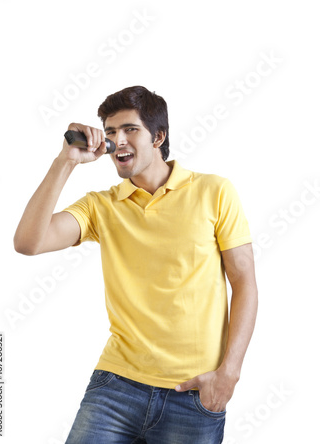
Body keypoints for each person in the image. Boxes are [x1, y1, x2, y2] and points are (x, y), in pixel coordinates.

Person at [14, 85, 258, 443]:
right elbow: (27, 243)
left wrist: (229, 374)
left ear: (158, 136)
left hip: (192, 392)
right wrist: (65, 161)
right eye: (110, 132)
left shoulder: (214, 191)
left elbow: (245, 282)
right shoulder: (101, 206)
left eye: (130, 129)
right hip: (116, 386)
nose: (117, 140)